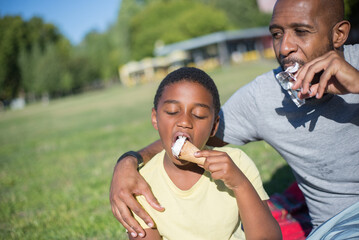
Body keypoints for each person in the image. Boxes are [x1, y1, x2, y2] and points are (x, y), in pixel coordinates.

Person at [110, 0, 359, 237]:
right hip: (339, 225)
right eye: (277, 34)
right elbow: (189, 135)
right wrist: (128, 162)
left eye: (301, 32)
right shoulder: (264, 97)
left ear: (339, 34)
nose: (284, 48)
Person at [124, 67, 281, 240]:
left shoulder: (237, 163)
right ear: (155, 118)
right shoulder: (142, 185)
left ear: (214, 126)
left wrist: (240, 184)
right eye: (172, 112)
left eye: (199, 115)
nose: (184, 122)